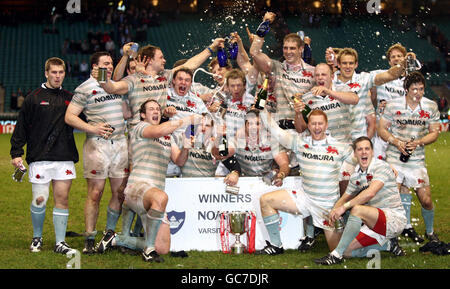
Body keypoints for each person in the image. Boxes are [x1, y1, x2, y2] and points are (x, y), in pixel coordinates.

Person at [95, 99, 203, 262]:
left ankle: (116, 239)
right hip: (137, 188)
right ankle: (148, 250)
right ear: (143, 115)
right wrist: (188, 119)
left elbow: (179, 161)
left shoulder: (168, 137)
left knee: (164, 249)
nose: (156, 112)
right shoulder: (140, 128)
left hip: (153, 197)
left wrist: (186, 147)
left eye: (158, 109)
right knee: (161, 197)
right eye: (151, 109)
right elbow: (158, 131)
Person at [257, 109, 353, 255]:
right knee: (266, 200)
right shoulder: (299, 143)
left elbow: (362, 162)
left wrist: (382, 168)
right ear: (308, 125)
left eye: (320, 123)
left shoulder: (340, 147)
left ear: (326, 125)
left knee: (341, 252)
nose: (316, 127)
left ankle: (384, 244)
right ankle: (276, 246)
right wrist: (263, 110)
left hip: (327, 206)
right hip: (305, 198)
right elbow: (275, 130)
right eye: (313, 123)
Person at [10, 57, 79, 255]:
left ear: (65, 74)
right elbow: (21, 126)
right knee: (40, 199)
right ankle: (37, 237)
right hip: (39, 157)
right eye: (54, 72)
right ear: (46, 73)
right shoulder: (33, 97)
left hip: (64, 156)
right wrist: (16, 152)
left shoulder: (70, 97)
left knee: (62, 199)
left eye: (61, 72)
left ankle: (60, 242)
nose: (57, 76)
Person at [65, 51, 129, 254]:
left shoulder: (116, 84)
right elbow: (70, 116)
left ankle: (108, 235)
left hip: (120, 144)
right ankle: (89, 237)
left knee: (120, 194)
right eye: (106, 64)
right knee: (95, 193)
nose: (110, 67)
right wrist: (92, 128)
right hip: (97, 145)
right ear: (94, 66)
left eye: (111, 64)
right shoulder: (84, 88)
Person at [94, 38, 225, 131]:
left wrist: (211, 48)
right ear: (150, 60)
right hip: (139, 135)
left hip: (160, 135)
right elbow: (112, 87)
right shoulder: (133, 79)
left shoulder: (165, 77)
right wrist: (101, 75)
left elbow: (189, 65)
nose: (165, 60)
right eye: (161, 57)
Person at [314, 137, 406, 265]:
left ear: (372, 152)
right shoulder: (356, 176)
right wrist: (334, 210)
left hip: (394, 219)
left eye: (367, 149)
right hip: (372, 222)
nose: (364, 152)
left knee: (357, 209)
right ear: (355, 153)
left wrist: (344, 207)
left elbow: (370, 193)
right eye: (360, 149)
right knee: (346, 251)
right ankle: (388, 245)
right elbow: (345, 197)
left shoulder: (381, 167)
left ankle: (335, 256)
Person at [378, 71, 441, 243]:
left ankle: (430, 232)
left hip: (417, 160)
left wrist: (419, 141)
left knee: (426, 200)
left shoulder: (430, 106)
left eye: (421, 89)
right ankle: (394, 234)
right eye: (414, 89)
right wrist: (396, 142)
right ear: (406, 89)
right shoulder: (393, 105)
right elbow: (381, 129)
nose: (417, 93)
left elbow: (434, 132)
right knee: (393, 198)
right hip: (394, 158)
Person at [330, 47, 405, 141]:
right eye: (344, 63)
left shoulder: (363, 79)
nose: (348, 66)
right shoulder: (330, 82)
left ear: (356, 64)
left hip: (358, 140)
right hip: (336, 140)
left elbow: (391, 75)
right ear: (339, 64)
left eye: (351, 63)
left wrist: (403, 63)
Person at [295, 63, 359, 143]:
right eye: (317, 75)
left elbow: (355, 99)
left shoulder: (343, 89)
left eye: (323, 74)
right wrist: (298, 114)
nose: (320, 78)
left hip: (343, 144)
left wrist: (329, 92)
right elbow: (300, 129)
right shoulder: (306, 98)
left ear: (332, 77)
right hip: (320, 147)